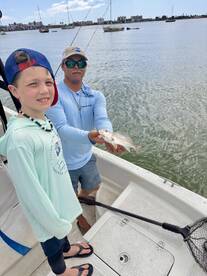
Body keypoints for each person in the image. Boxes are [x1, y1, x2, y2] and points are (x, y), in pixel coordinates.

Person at [0, 48, 94, 276]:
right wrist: (55, 224)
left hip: (58, 202)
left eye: (48, 82)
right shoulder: (20, 138)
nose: (44, 90)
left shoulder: (41, 119)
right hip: (46, 215)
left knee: (62, 238)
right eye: (33, 84)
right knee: (52, 247)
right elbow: (31, 195)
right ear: (14, 91)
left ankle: (68, 248)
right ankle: (62, 272)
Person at [46, 46, 124, 234]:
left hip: (85, 155)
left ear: (85, 67)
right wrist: (90, 136)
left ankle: (81, 197)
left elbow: (102, 119)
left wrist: (109, 138)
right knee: (68, 197)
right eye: (71, 62)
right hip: (62, 161)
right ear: (63, 66)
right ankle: (79, 217)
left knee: (94, 186)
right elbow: (62, 129)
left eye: (81, 62)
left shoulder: (96, 95)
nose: (76, 67)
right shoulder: (52, 94)